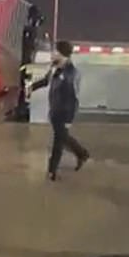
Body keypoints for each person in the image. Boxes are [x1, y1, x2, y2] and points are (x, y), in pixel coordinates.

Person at [31, 40, 89, 181]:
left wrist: (69, 119)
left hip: (63, 113)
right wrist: (31, 87)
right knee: (63, 137)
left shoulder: (70, 74)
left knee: (58, 141)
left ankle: (52, 171)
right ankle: (82, 153)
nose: (52, 54)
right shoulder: (55, 66)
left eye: (55, 52)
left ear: (62, 55)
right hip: (55, 110)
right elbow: (46, 81)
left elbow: (73, 99)